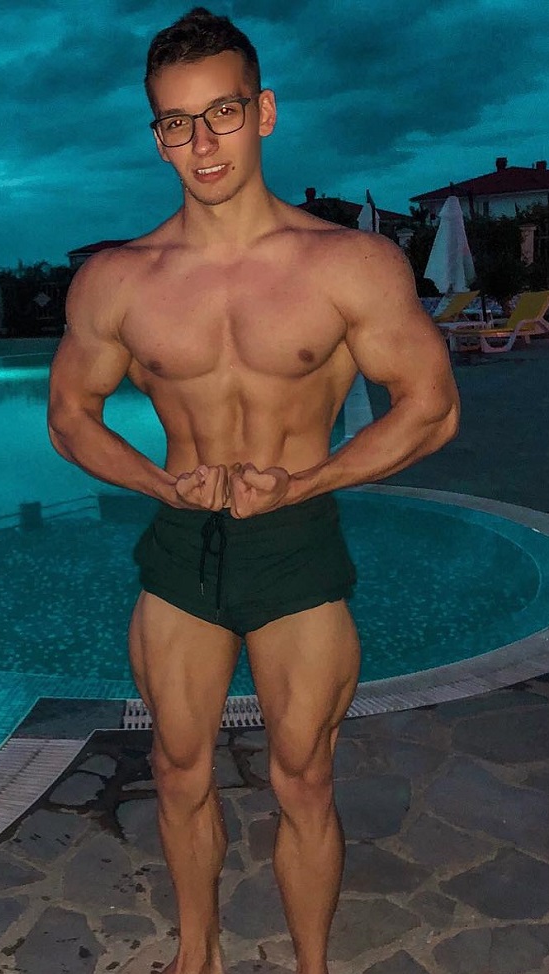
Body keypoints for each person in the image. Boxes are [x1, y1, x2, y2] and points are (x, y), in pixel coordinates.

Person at [47, 8, 459, 974]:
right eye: (177, 122)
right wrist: (160, 482)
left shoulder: (349, 264)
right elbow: (71, 418)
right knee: (177, 769)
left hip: (298, 543)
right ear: (157, 135)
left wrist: (308, 480)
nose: (202, 142)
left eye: (223, 112)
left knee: (305, 776)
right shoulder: (117, 279)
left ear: (263, 111)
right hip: (180, 549)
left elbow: (431, 408)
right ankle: (200, 958)